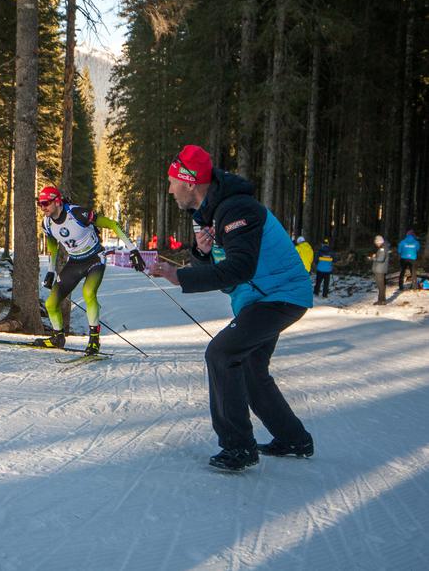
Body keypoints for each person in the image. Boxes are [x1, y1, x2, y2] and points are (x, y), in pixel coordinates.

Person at [149, 145, 314, 472]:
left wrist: (180, 275)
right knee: (251, 368)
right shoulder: (212, 213)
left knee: (221, 353)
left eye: (172, 182)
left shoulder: (237, 209)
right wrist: (201, 253)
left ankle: (238, 448)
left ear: (189, 183)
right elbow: (222, 267)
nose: (169, 189)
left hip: (279, 296)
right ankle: (294, 439)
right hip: (261, 299)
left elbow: (240, 269)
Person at [33, 185, 145, 354]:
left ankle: (94, 340)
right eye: (40, 204)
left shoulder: (77, 213)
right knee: (51, 303)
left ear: (57, 201)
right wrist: (51, 270)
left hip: (94, 258)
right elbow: (53, 246)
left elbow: (113, 224)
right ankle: (58, 338)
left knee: (88, 292)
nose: (43, 208)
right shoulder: (47, 223)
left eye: (46, 203)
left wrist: (133, 250)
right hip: (74, 262)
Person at [372, 235, 388, 305]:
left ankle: (381, 300)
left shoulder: (382, 249)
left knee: (380, 285)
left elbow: (381, 259)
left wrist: (373, 258)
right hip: (380, 269)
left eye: (376, 243)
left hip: (380, 270)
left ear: (379, 242)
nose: (376, 244)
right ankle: (382, 300)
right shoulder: (384, 247)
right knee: (382, 285)